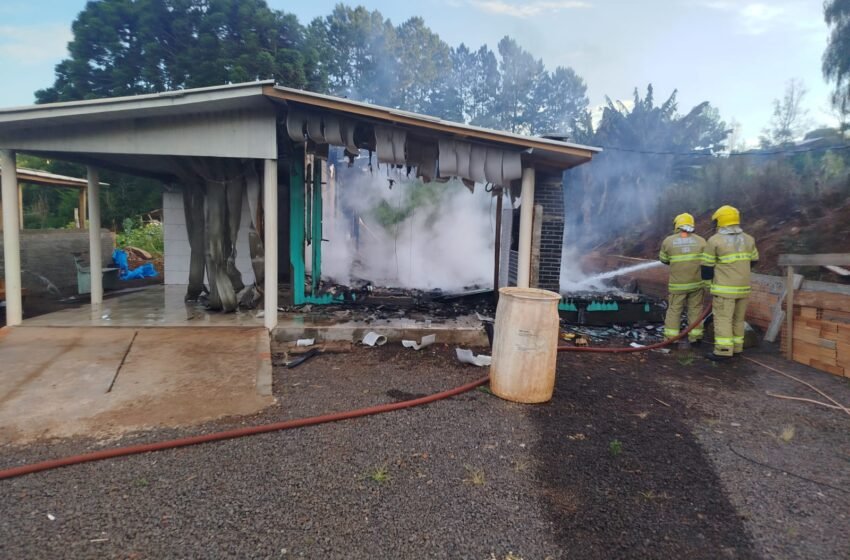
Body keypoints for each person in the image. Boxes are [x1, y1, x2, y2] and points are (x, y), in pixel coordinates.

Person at [701, 205, 759, 361]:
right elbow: (754, 261)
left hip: (724, 290)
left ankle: (724, 350)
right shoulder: (749, 239)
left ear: (720, 220)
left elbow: (706, 267)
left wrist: (708, 285)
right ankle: (737, 348)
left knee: (723, 319)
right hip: (743, 288)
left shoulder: (715, 241)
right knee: (738, 319)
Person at [659, 213, 706, 346]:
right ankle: (696, 338)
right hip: (697, 284)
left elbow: (664, 259)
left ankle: (671, 338)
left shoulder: (668, 241)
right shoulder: (701, 241)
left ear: (677, 225)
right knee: (695, 309)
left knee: (674, 310)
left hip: (677, 284)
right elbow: (707, 261)